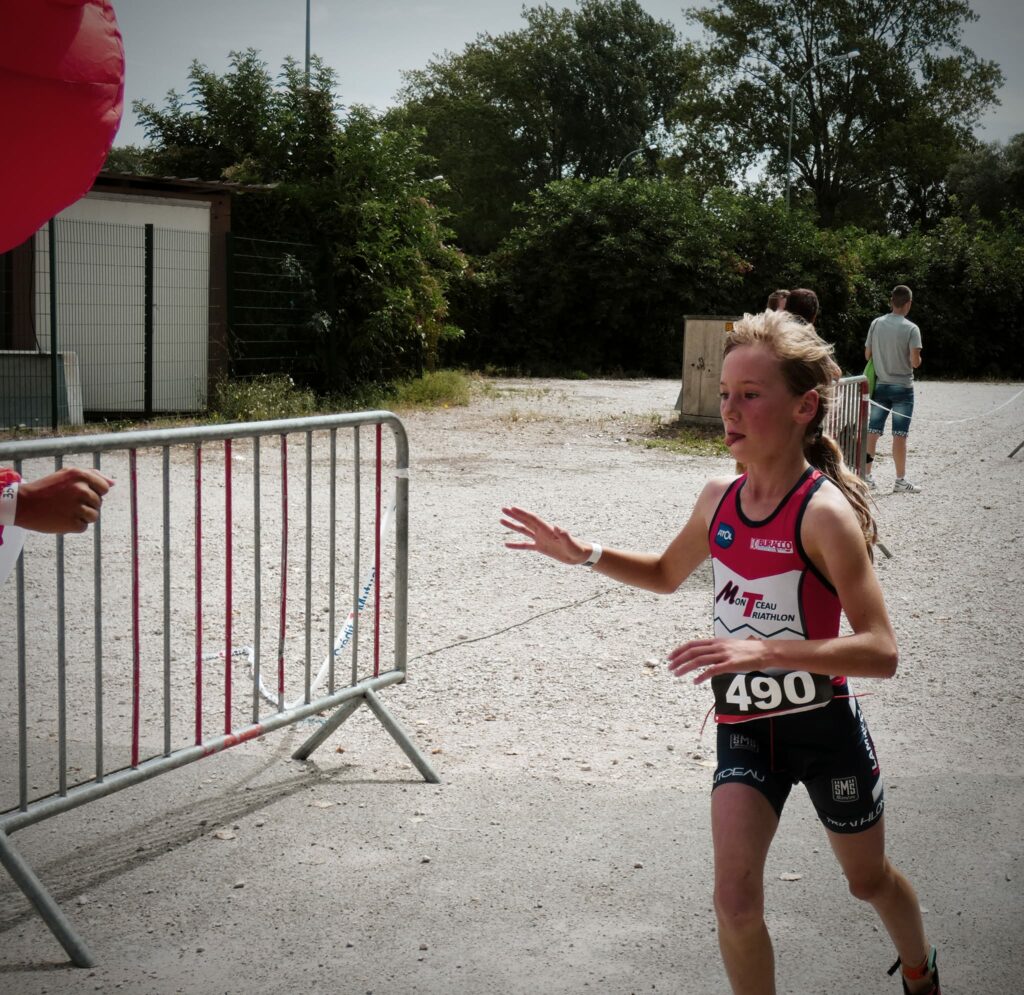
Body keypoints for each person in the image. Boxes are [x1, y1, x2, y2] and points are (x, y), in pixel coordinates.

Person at [501, 309, 940, 995]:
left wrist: (769, 650)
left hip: (825, 732)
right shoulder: (719, 498)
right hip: (745, 730)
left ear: (803, 407)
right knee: (734, 902)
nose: (729, 409)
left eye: (750, 394)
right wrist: (585, 552)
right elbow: (664, 573)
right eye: (726, 392)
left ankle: (919, 969)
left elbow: (881, 651)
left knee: (867, 881)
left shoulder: (823, 514)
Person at [864, 286, 923, 493]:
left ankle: (866, 476)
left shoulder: (876, 323)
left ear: (891, 301)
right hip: (903, 388)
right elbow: (915, 362)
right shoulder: (912, 329)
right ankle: (900, 480)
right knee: (900, 435)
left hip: (881, 385)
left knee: (872, 432)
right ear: (909, 303)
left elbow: (867, 354)